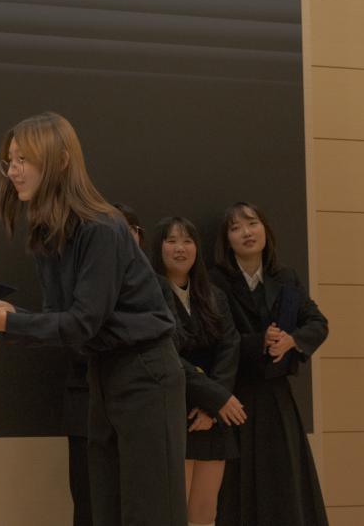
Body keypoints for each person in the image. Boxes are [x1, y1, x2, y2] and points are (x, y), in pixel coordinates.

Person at [0, 112, 187, 526]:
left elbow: (81, 323)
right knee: (105, 510)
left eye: (23, 159)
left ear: (60, 160)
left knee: (151, 511)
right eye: (9, 161)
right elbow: (63, 319)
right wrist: (8, 315)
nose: (13, 171)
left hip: (145, 374)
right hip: (103, 375)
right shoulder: (50, 232)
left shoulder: (102, 228)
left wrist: (4, 322)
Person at [210, 202, 329, 526]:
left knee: (283, 483)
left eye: (252, 223)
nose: (246, 232)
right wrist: (258, 342)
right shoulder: (216, 281)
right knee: (235, 488)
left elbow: (318, 323)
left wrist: (292, 340)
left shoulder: (285, 276)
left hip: (277, 397)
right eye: (236, 228)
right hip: (233, 397)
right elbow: (215, 341)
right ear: (227, 240)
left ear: (265, 229)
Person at [150, 216, 245, 526]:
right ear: (159, 247)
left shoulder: (215, 295)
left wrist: (214, 406)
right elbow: (166, 352)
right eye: (172, 241)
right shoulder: (149, 292)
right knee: (174, 512)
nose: (180, 248)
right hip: (176, 410)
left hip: (214, 414)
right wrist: (212, 397)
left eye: (187, 241)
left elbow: (230, 347)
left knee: (205, 513)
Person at [64, 200, 143, 526]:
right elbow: (73, 339)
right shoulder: (77, 283)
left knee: (140, 502)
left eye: (129, 230)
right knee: (91, 504)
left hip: (139, 403)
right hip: (87, 403)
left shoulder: (151, 286)